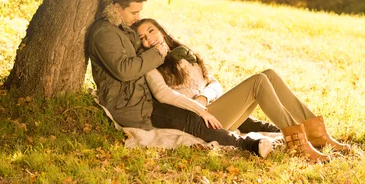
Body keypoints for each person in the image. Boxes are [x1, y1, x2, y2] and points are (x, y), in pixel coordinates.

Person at [88, 0, 276, 158]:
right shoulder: (105, 33)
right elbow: (125, 70)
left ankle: (272, 130)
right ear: (117, 7)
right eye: (134, 12)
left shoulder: (123, 27)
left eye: (140, 12)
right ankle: (247, 145)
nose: (138, 17)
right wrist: (158, 53)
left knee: (216, 110)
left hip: (144, 98)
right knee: (194, 120)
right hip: (133, 106)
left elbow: (209, 81)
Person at [134, 18, 351, 162]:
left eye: (151, 31)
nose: (149, 38)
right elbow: (163, 94)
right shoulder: (150, 66)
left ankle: (317, 133)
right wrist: (200, 109)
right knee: (258, 81)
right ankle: (298, 143)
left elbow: (214, 83)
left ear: (161, 30)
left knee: (270, 75)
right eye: (142, 38)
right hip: (202, 119)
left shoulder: (183, 52)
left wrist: (204, 97)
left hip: (211, 107)